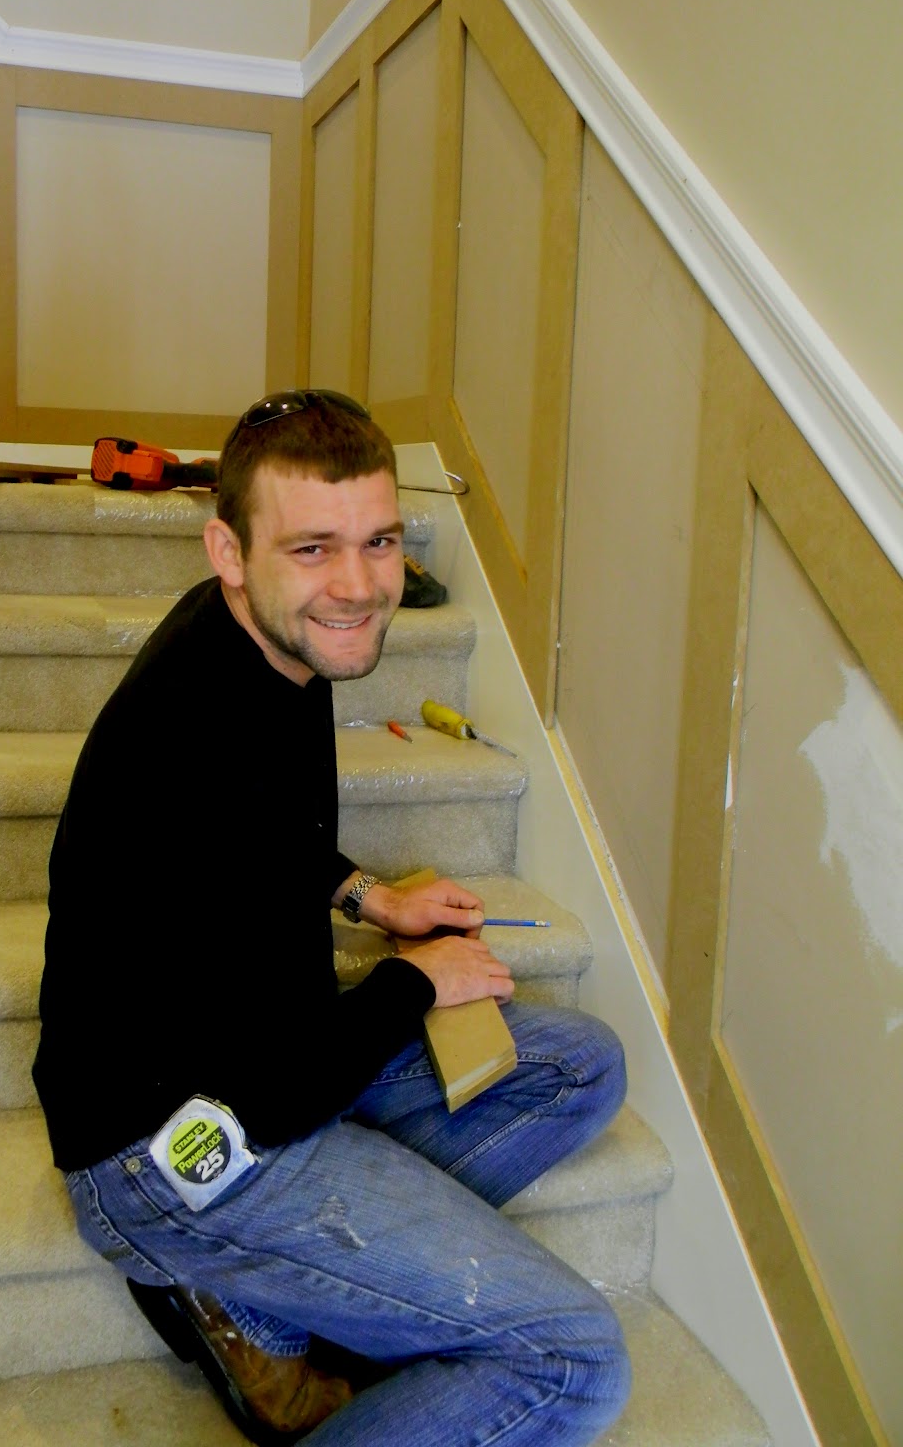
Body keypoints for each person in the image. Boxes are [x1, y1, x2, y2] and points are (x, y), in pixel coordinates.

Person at [32, 390, 631, 1445]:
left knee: (580, 1066)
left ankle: (279, 1297)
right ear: (229, 547)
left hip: (263, 1063)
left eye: (380, 540)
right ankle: (226, 1269)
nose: (359, 586)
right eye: (314, 547)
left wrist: (370, 895)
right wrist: (411, 981)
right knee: (574, 1360)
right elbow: (277, 1084)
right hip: (171, 1144)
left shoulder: (275, 638)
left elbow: (274, 835)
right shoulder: (191, 746)